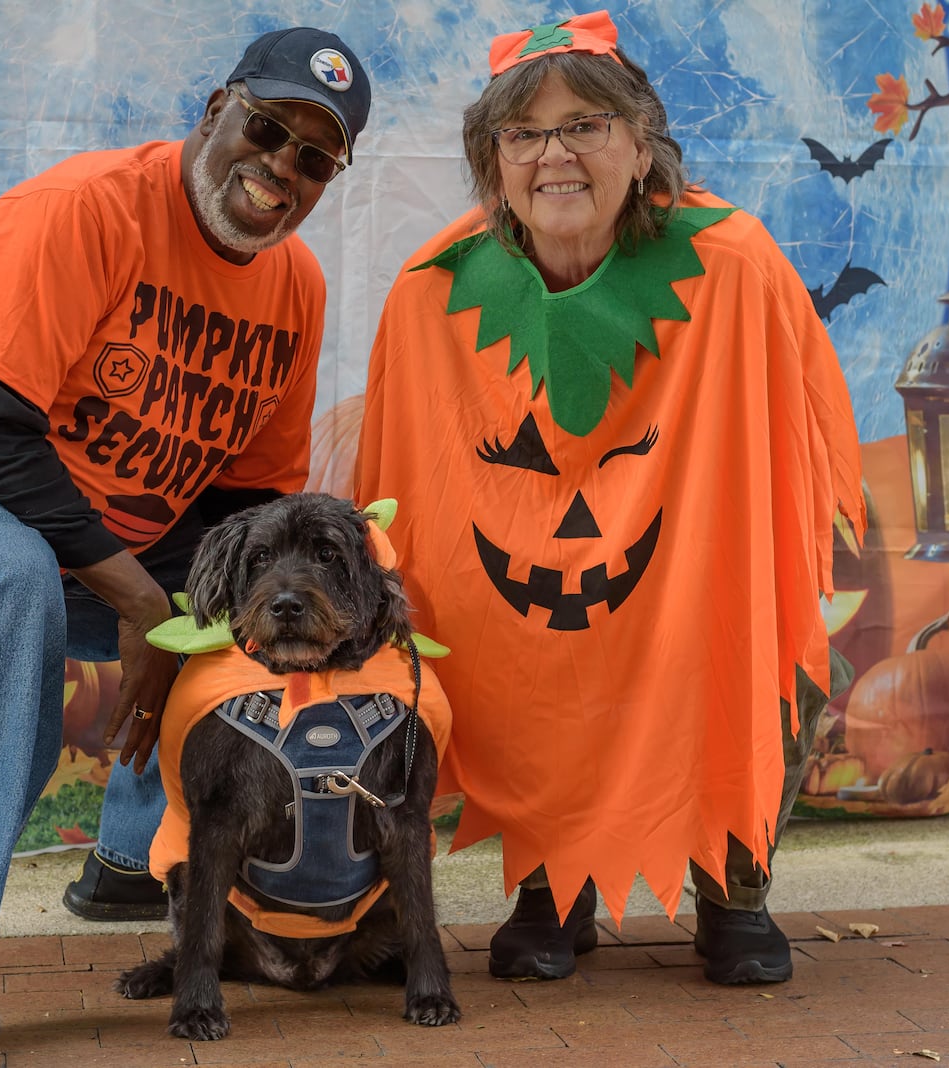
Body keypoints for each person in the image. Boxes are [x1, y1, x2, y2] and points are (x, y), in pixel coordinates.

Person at [0, 26, 370, 1068]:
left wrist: (193, 615)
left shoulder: (295, 288)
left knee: (262, 603)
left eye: (314, 157)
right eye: (268, 129)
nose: (282, 166)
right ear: (216, 109)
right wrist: (139, 603)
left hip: (41, 501)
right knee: (5, 582)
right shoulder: (87, 208)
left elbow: (248, 506)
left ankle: (140, 861)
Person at [354, 11, 863, 987]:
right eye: (524, 133)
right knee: (506, 637)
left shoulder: (731, 263)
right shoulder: (434, 290)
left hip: (687, 572)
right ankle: (551, 883)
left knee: (759, 639)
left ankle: (734, 882)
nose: (555, 155)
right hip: (527, 587)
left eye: (584, 126)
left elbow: (788, 443)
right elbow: (404, 488)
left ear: (640, 144)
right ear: (493, 160)